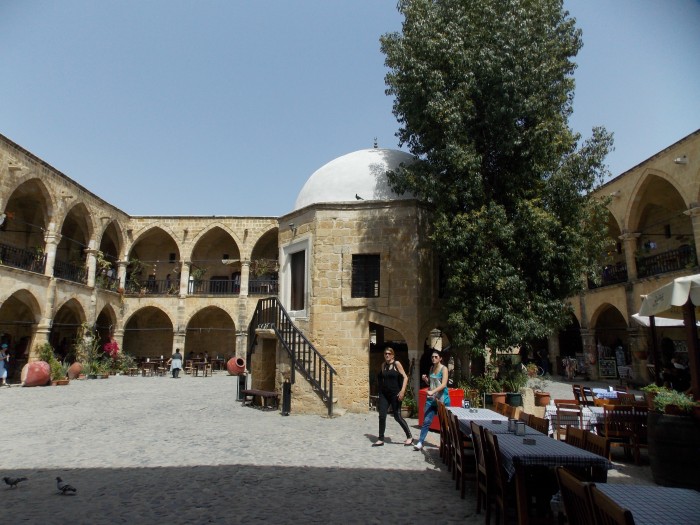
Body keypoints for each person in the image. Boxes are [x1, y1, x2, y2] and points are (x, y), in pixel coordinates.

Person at [373, 347, 413, 447]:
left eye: (389, 353)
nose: (387, 355)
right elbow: (382, 379)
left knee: (397, 416)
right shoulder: (383, 365)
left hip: (395, 394)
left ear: (393, 355)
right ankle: (380, 438)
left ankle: (409, 436)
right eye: (385, 353)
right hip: (384, 394)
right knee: (382, 415)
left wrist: (402, 391)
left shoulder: (397, 364)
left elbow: (405, 377)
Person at [414, 349, 449, 451]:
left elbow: (443, 384)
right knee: (426, 421)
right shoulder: (431, 368)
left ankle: (446, 443)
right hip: (431, 400)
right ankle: (420, 442)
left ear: (440, 358)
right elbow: (432, 383)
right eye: (432, 357)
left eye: (436, 357)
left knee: (444, 423)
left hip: (442, 400)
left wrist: (432, 392)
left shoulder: (444, 369)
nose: (433, 359)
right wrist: (426, 380)